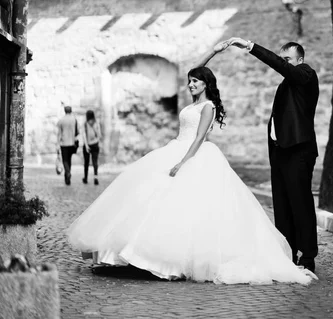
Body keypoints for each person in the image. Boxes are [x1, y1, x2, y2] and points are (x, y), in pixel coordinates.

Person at [67, 63, 316, 285]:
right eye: (189, 81)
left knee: (187, 208)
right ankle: (129, 254)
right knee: (149, 198)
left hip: (194, 154)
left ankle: (168, 261)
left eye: (195, 81)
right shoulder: (192, 105)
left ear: (206, 84)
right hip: (175, 146)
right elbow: (187, 120)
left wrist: (183, 161)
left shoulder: (208, 106)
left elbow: (198, 138)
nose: (190, 85)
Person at [220, 38, 319, 273]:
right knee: (282, 206)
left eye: (288, 60)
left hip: (298, 151)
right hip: (281, 152)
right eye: (282, 59)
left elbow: (283, 68)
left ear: (300, 60)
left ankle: (307, 257)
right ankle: (288, 253)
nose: (284, 64)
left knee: (300, 205)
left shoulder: (306, 74)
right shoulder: (288, 83)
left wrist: (251, 47)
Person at [57, 105, 79, 186]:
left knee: (65, 160)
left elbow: (59, 134)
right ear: (71, 111)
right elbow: (77, 132)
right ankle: (67, 175)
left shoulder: (61, 120)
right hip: (72, 143)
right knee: (69, 159)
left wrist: (57, 144)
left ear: (65, 111)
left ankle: (68, 173)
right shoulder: (74, 120)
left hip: (64, 143)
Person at [82, 110, 102, 186]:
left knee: (86, 162)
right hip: (95, 144)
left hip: (87, 145)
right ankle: (95, 177)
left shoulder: (85, 124)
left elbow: (84, 135)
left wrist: (86, 145)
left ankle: (86, 178)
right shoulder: (96, 124)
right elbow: (99, 136)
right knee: (95, 162)